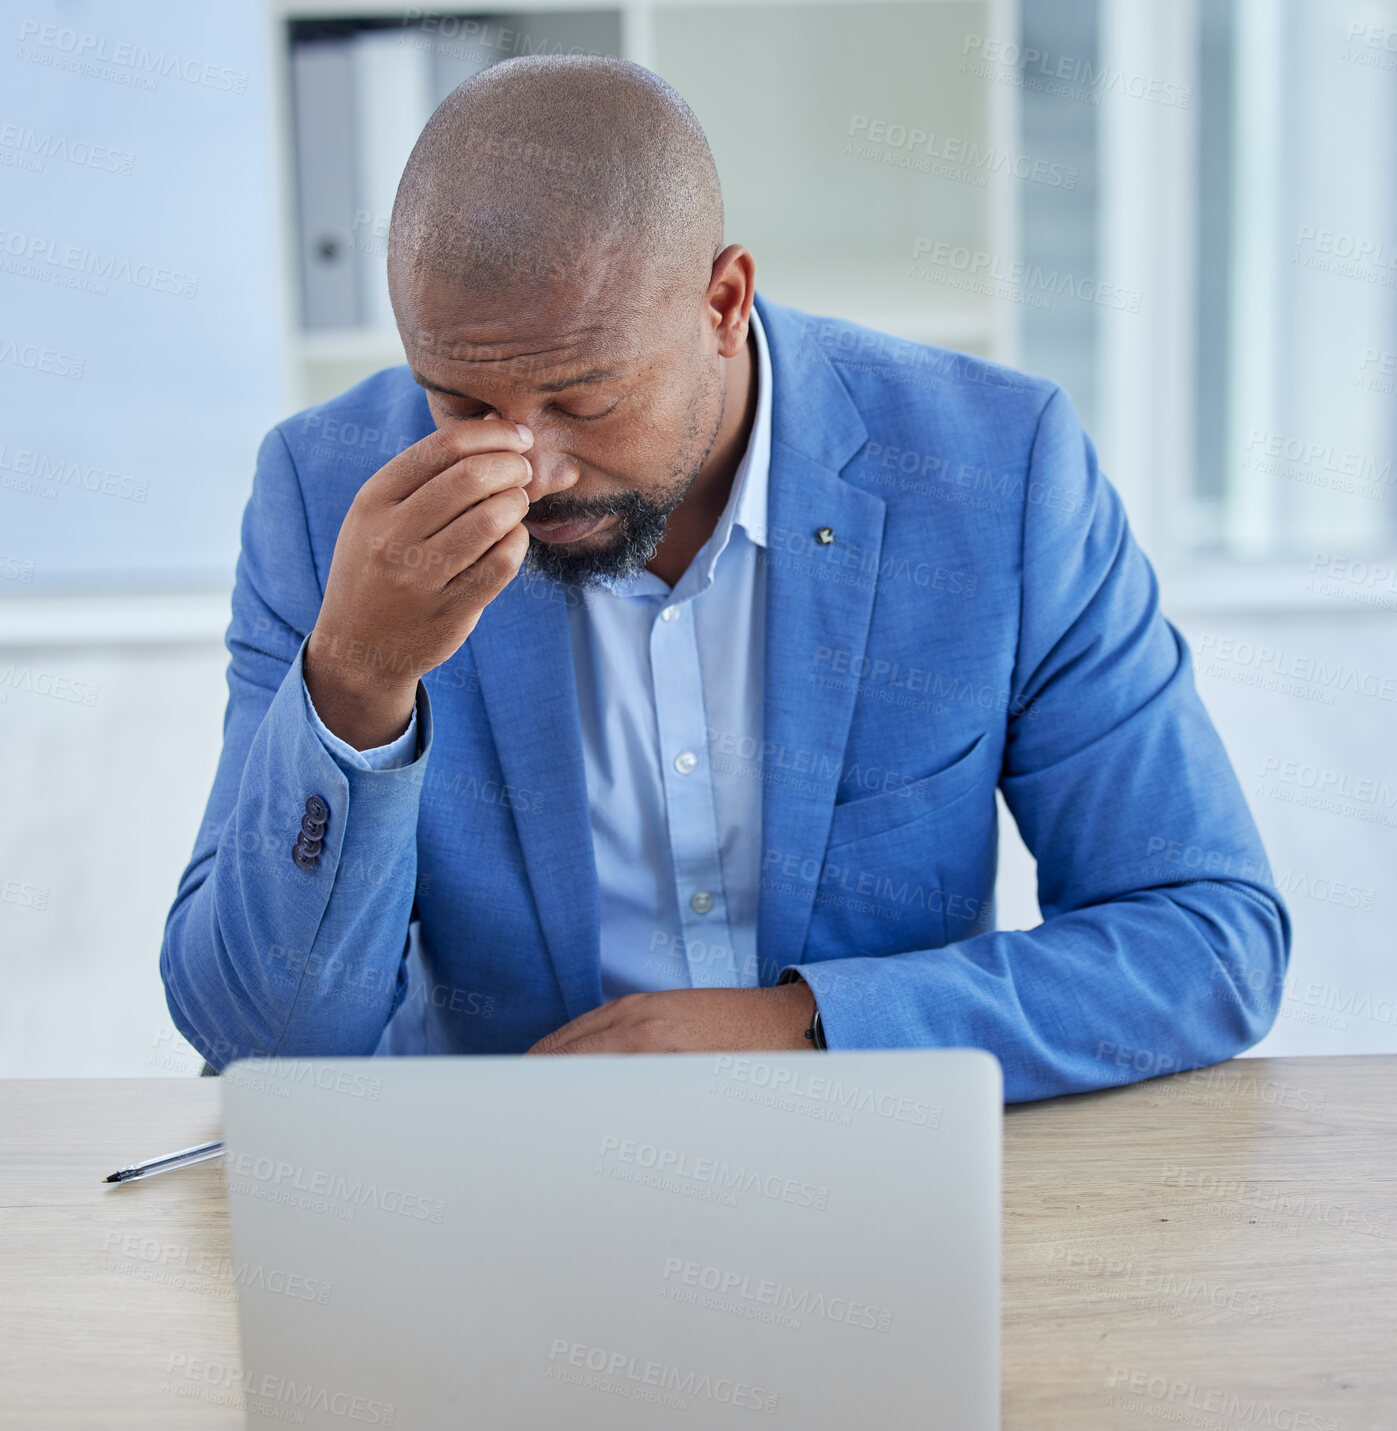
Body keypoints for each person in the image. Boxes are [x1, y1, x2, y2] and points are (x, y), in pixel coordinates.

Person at [160, 55, 1288, 1101]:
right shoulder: (327, 500)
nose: (526, 465)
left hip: (875, 1190)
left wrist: (804, 1029)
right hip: (501, 1220)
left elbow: (1205, 937)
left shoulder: (994, 471)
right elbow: (257, 1043)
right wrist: (356, 680)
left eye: (585, 399)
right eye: (462, 405)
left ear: (722, 304)